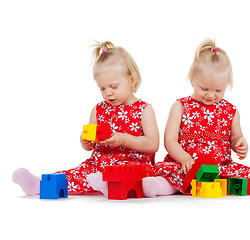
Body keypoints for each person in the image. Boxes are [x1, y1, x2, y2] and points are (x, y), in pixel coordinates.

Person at [142, 39, 250, 198]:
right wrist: (185, 159)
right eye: (204, 89)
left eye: (218, 90)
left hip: (220, 167)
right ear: (193, 79)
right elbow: (170, 141)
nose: (211, 95)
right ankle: (157, 186)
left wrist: (240, 143)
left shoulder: (230, 110)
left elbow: (235, 137)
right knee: (169, 174)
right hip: (185, 165)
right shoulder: (180, 106)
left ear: (226, 85)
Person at [13, 40, 159, 196]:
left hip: (132, 165)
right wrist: (86, 142)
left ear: (131, 80)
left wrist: (124, 139)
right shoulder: (98, 109)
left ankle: (107, 184)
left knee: (125, 175)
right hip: (98, 165)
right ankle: (39, 184)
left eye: (113, 86)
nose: (108, 93)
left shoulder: (144, 109)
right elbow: (92, 144)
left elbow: (153, 144)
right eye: (102, 88)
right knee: (78, 173)